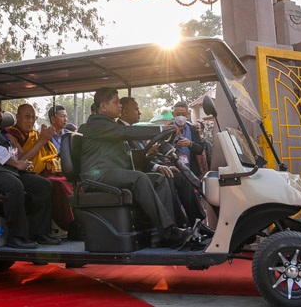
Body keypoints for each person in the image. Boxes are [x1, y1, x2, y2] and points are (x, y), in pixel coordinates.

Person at [80, 88, 191, 246]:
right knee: (139, 177)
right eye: (116, 102)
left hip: (111, 172)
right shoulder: (96, 124)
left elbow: (127, 155)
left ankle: (165, 230)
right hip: (97, 176)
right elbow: (125, 131)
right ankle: (168, 232)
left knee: (158, 179)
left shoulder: (109, 125)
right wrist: (159, 130)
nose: (120, 105)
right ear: (103, 106)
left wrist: (151, 157)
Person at [0, 98, 58, 249]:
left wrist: (22, 164)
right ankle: (16, 236)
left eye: (0, 110)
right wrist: (16, 164)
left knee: (43, 185)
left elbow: (11, 154)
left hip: (1, 172)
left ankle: (40, 233)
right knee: (14, 184)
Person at [119, 96, 205, 228]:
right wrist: (157, 166)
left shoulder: (133, 132)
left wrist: (159, 162)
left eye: (183, 114)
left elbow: (142, 154)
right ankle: (178, 225)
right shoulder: (122, 131)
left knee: (182, 177)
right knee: (167, 177)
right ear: (125, 112)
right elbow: (130, 158)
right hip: (137, 173)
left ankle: (197, 221)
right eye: (136, 109)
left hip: (152, 166)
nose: (140, 113)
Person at [5, 104, 75, 232]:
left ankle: (77, 222)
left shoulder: (34, 134)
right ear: (17, 117)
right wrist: (42, 140)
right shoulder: (11, 134)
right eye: (27, 117)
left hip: (40, 171)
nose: (31, 121)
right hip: (19, 173)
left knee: (71, 180)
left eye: (33, 117)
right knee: (54, 184)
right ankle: (67, 225)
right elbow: (21, 160)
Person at [171, 101, 206, 178]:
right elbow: (161, 150)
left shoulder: (193, 129)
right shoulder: (168, 129)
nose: (180, 117)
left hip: (192, 171)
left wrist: (190, 144)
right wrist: (175, 145)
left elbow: (200, 149)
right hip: (174, 171)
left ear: (188, 114)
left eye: (183, 114)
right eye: (177, 114)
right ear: (173, 114)